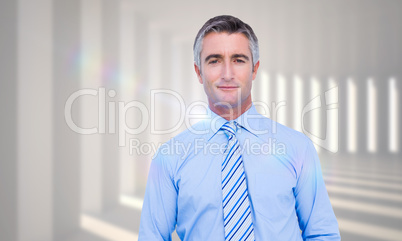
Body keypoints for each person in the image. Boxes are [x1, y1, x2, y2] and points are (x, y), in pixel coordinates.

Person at [139, 15, 340, 241]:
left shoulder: (298, 148)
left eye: (238, 60)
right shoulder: (169, 158)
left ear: (254, 69)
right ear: (198, 72)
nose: (227, 74)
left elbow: (322, 233)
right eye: (214, 60)